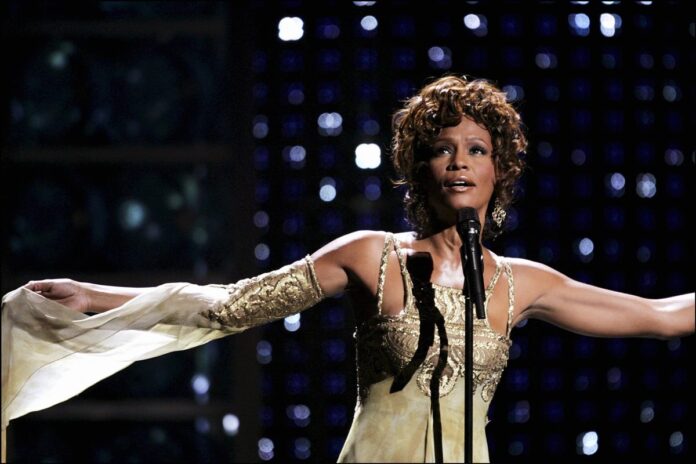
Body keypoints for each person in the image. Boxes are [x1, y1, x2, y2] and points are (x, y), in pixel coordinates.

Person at [2, 75, 694, 463]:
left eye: (476, 149)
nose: (459, 160)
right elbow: (228, 304)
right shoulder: (372, 255)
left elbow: (662, 316)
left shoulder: (521, 284)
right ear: (419, 166)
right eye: (443, 147)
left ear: (499, 169)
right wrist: (95, 294)